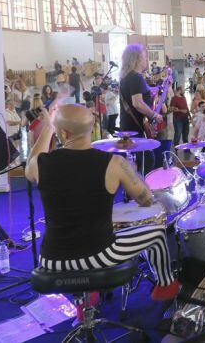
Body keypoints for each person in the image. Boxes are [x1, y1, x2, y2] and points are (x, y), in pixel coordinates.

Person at [24, 104, 179, 305]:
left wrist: (47, 128)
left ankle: (85, 304)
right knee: (157, 234)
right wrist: (130, 171)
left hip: (50, 260)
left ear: (63, 132)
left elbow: (30, 165)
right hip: (98, 255)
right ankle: (166, 287)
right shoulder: (113, 162)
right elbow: (146, 198)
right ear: (92, 127)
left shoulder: (41, 164)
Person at [118, 43, 163, 136]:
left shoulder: (127, 76)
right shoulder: (136, 77)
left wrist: (156, 88)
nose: (146, 59)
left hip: (128, 125)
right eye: (144, 56)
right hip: (134, 128)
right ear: (137, 59)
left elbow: (140, 91)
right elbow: (137, 103)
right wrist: (154, 115)